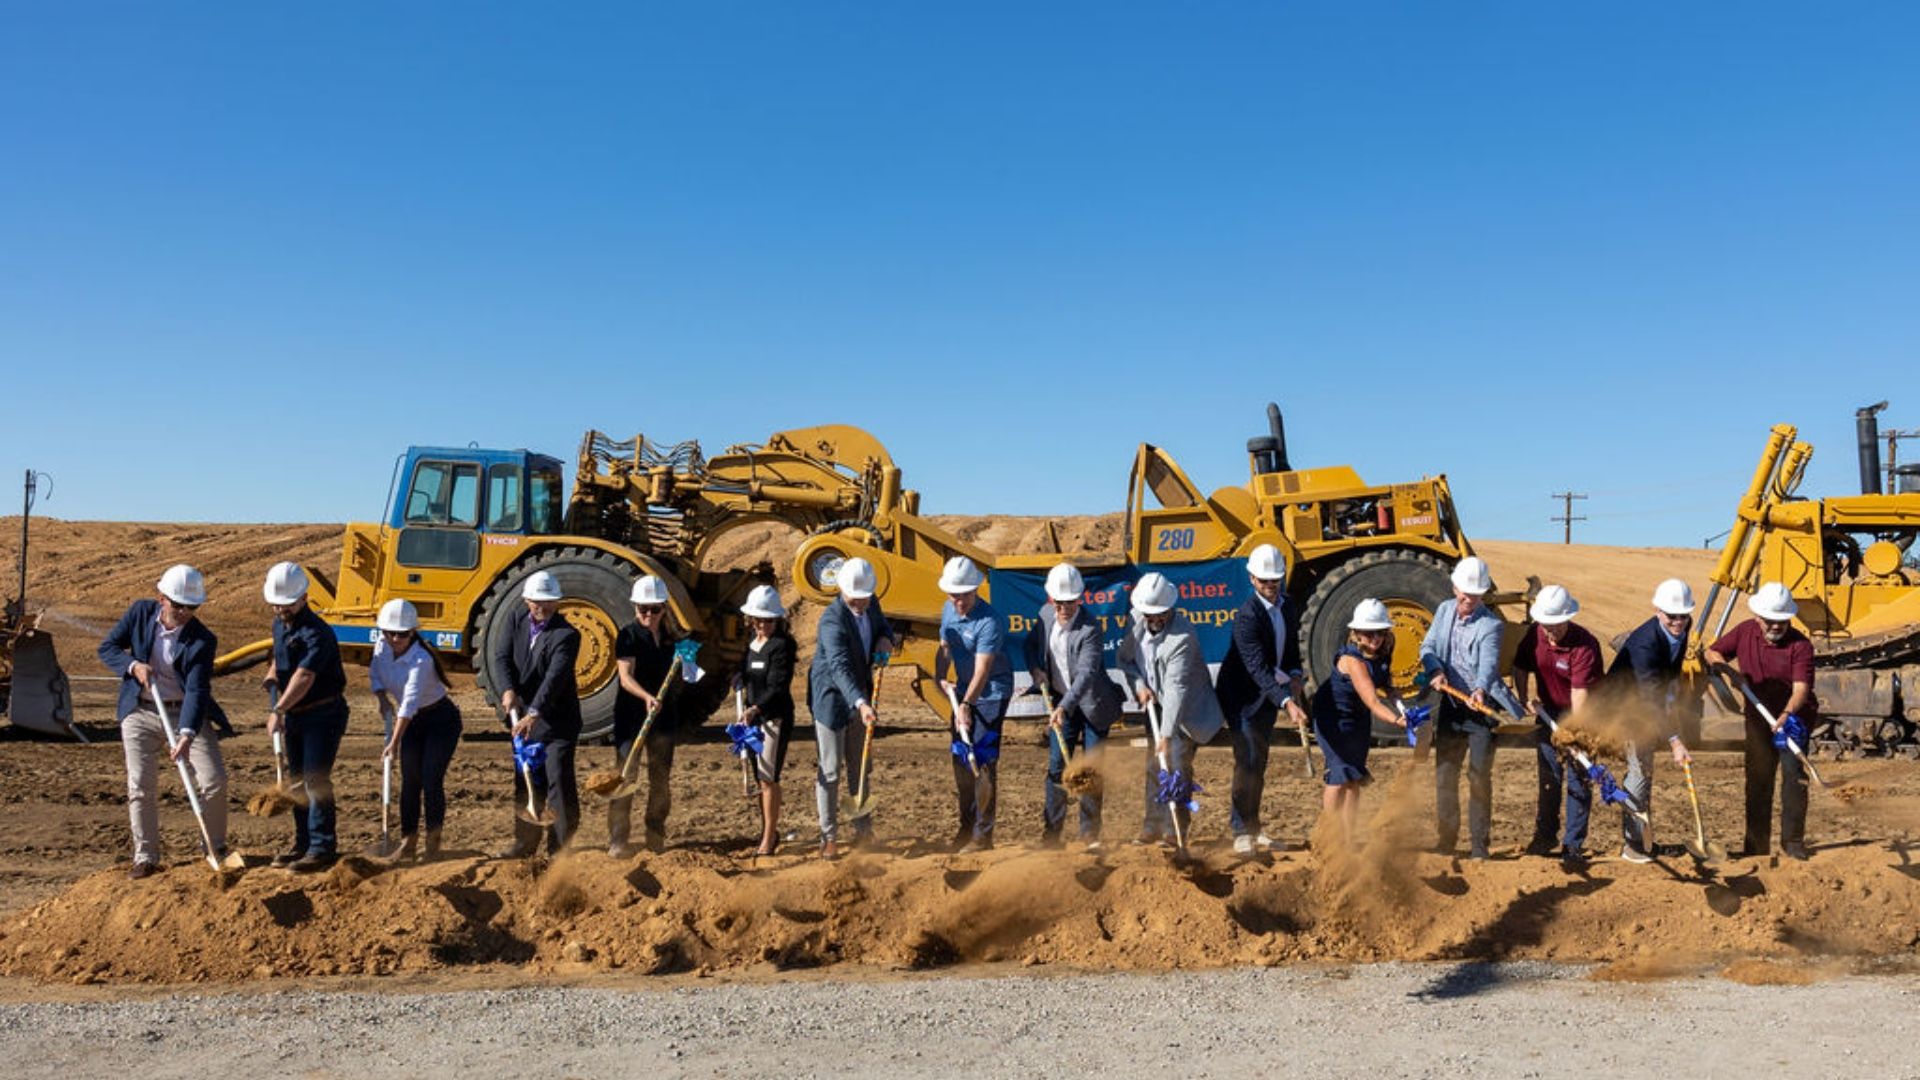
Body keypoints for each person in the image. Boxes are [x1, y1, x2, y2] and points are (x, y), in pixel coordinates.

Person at [98, 564, 233, 879]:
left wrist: (186, 734)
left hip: (184, 713)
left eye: (192, 607)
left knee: (214, 780)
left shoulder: (202, 639)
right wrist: (133, 666)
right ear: (161, 597)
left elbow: (198, 690)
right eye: (178, 605)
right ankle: (145, 856)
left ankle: (215, 848)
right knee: (140, 785)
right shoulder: (140, 613)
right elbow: (107, 648)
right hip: (140, 711)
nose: (185, 612)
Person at [1703, 581, 1816, 861]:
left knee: (1794, 778)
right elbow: (1712, 652)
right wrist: (1728, 671)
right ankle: (1756, 847)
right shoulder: (1744, 632)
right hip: (1757, 720)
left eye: (1782, 621)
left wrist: (1787, 715)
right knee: (1758, 781)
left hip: (1794, 719)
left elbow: (1801, 690)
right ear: (1757, 617)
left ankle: (1792, 843)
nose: (1776, 626)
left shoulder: (1801, 645)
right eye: (1770, 620)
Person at [1419, 556, 1522, 860]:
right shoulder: (1444, 611)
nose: (1469, 598)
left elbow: (1489, 664)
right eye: (1465, 592)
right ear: (1454, 588)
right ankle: (1447, 842)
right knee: (1445, 774)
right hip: (1451, 707)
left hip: (1480, 711)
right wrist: (1435, 670)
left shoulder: (1491, 624)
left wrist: (1478, 689)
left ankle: (1479, 846)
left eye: (1475, 594)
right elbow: (1428, 647)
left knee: (1478, 777)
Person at [1117, 572, 1225, 851]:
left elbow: (1176, 688)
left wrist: (1165, 735)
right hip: (1155, 705)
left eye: (1159, 614)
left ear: (1169, 609)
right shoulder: (1135, 623)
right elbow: (1125, 660)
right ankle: (1151, 825)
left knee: (1175, 768)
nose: (1153, 620)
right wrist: (1140, 685)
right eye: (1148, 614)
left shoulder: (1182, 637)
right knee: (1154, 766)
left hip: (1185, 714)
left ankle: (1174, 830)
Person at [1214, 543, 1308, 855]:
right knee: (1247, 759)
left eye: (1275, 580)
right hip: (1241, 697)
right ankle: (1241, 829)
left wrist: (1295, 673)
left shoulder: (1289, 606)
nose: (1270, 586)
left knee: (1260, 761)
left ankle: (1254, 827)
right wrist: (1287, 702)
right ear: (1252, 579)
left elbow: (1291, 647)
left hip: (1268, 695)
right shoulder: (1247, 617)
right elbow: (1257, 669)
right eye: (1264, 580)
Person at [1025, 562, 1123, 851]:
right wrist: (1035, 670)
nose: (1064, 608)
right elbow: (1029, 646)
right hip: (1060, 702)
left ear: (1080, 598)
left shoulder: (1090, 628)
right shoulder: (1044, 616)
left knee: (1090, 770)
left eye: (1070, 602)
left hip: (1093, 707)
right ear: (1051, 599)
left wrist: (1064, 706)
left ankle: (1089, 834)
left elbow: (1086, 674)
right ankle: (1051, 834)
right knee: (1057, 767)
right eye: (1059, 602)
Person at [1603, 578, 1700, 864]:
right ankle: (1632, 845)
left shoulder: (1683, 627)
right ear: (1658, 611)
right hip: (1624, 705)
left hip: (1649, 700)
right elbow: (1649, 697)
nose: (1679, 622)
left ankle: (1645, 841)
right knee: (1638, 770)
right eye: (1672, 616)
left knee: (1645, 770)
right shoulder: (1645, 644)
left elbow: (1668, 674)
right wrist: (1674, 740)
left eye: (1684, 615)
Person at [264, 561, 351, 872]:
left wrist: (279, 709)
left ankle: (322, 846)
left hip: (323, 713)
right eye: (276, 603)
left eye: (286, 603)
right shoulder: (279, 624)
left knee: (315, 779)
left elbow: (304, 677)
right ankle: (302, 843)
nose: (280, 608)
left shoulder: (318, 633)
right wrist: (273, 675)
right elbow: (279, 656)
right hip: (296, 714)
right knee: (296, 781)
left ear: (303, 597)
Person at [807, 557, 897, 858]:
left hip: (862, 696)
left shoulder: (871, 603)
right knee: (831, 770)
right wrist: (860, 703)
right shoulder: (831, 620)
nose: (860, 604)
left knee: (860, 768)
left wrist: (886, 639)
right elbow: (839, 666)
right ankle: (828, 836)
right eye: (854, 599)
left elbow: (884, 626)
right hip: (832, 698)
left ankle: (863, 830)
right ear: (843, 591)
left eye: (864, 598)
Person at [1510, 585, 1603, 868]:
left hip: (1583, 713)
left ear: (1568, 618)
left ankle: (1573, 844)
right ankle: (1545, 836)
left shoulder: (1584, 645)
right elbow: (1520, 665)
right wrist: (1524, 697)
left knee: (1579, 778)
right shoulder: (1535, 634)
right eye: (1546, 625)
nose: (1550, 632)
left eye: (1555, 625)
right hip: (1547, 711)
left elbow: (1580, 695)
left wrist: (1576, 735)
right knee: (1549, 776)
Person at [493, 569, 583, 857]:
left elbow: (554, 679)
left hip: (556, 720)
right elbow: (501, 657)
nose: (541, 607)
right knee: (526, 779)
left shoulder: (567, 635)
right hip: (524, 719)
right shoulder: (515, 619)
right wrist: (508, 690)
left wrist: (534, 713)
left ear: (557, 603)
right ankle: (525, 843)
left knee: (557, 778)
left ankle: (559, 848)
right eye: (535, 601)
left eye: (547, 602)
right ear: (526, 600)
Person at [368, 598, 461, 862]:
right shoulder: (381, 648)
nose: (396, 639)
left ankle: (433, 844)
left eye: (403, 634)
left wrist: (393, 743)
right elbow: (375, 674)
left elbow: (409, 703)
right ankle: (408, 842)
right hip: (413, 723)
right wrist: (381, 698)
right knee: (410, 783)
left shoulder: (421, 660)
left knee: (431, 780)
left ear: (413, 633)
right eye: (391, 633)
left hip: (440, 721)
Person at [1310, 599, 1409, 844]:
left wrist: (1395, 695)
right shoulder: (1353, 661)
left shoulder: (1387, 646)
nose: (1376, 638)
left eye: (1381, 632)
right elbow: (1373, 702)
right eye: (1369, 633)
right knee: (1339, 773)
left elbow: (1385, 682)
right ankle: (1329, 835)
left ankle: (1348, 836)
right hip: (1333, 717)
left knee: (1354, 776)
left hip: (1357, 718)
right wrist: (1399, 721)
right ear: (1356, 633)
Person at [934, 556, 1014, 852]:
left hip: (991, 693)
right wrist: (940, 675)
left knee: (982, 759)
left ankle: (983, 835)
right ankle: (965, 827)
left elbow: (983, 671)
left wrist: (966, 704)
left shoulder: (990, 621)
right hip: (964, 692)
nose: (958, 601)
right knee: (960, 758)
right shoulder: (948, 610)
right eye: (953, 595)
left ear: (975, 590)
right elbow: (944, 648)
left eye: (963, 595)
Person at [609, 575, 686, 856]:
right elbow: (625, 677)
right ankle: (618, 838)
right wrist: (646, 697)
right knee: (626, 776)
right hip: (631, 717)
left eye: (654, 609)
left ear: (664, 609)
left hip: (663, 719)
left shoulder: (672, 640)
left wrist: (686, 671)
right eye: (643, 609)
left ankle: (655, 835)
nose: (648, 615)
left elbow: (683, 675)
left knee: (660, 779)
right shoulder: (628, 635)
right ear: (635, 607)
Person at [735, 584, 797, 856]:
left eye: (768, 620)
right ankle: (766, 831)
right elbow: (743, 670)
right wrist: (737, 679)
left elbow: (777, 685)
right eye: (758, 620)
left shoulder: (782, 646)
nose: (762, 625)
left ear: (777, 620)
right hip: (752, 718)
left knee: (767, 777)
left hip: (773, 717)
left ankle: (768, 837)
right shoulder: (749, 644)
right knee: (759, 779)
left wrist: (755, 709)